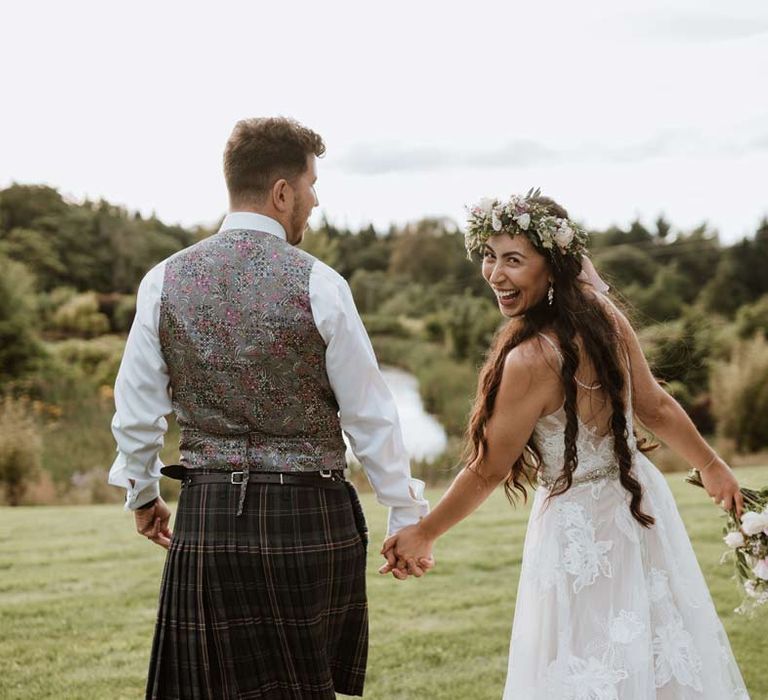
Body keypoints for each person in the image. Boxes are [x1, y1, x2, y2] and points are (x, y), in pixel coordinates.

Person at [381, 190, 750, 698]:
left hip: (576, 530)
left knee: (584, 661)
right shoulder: (606, 319)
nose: (495, 274)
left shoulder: (530, 360)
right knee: (652, 649)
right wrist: (711, 464)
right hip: (639, 503)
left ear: (551, 267)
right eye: (489, 256)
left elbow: (489, 469)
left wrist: (425, 532)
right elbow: (655, 406)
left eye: (514, 259)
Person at [108, 116, 429, 699]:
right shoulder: (321, 283)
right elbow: (370, 415)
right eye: (311, 185)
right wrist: (404, 513)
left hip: (207, 517)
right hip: (310, 516)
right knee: (303, 688)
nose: (314, 200)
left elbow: (135, 411)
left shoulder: (163, 280)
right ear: (282, 192)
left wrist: (144, 495)